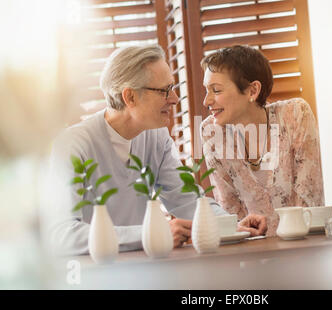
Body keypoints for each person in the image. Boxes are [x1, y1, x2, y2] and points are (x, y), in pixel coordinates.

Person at [47, 45, 267, 256]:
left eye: (172, 88)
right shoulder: (73, 145)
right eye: (164, 91)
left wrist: (232, 226)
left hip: (146, 270)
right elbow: (61, 234)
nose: (174, 99)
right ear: (130, 97)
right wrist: (152, 234)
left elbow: (186, 199)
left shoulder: (157, 136)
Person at [201, 45, 325, 237]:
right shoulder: (212, 133)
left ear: (252, 90)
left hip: (303, 247)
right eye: (206, 90)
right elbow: (230, 214)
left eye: (216, 90)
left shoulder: (295, 115)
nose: (206, 101)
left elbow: (309, 203)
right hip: (251, 255)